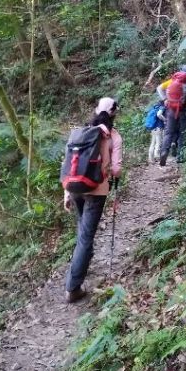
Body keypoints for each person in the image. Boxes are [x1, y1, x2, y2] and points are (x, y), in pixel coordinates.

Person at [61, 97, 122, 303]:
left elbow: (69, 165)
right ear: (113, 113)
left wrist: (67, 193)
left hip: (76, 187)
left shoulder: (79, 133)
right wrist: (114, 176)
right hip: (97, 190)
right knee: (86, 236)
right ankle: (73, 287)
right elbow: (116, 169)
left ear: (96, 110)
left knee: (83, 230)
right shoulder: (112, 136)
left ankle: (82, 262)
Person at [157, 65, 186, 166]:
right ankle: (181, 156)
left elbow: (159, 88)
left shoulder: (172, 81)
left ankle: (164, 152)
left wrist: (165, 99)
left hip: (171, 110)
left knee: (168, 133)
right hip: (184, 111)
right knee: (183, 133)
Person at [145, 99, 166, 163]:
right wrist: (165, 120)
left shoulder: (154, 107)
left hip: (153, 128)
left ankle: (150, 158)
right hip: (158, 128)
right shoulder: (162, 107)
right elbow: (159, 114)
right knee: (158, 143)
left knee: (153, 142)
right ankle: (156, 156)